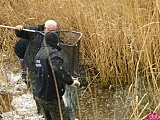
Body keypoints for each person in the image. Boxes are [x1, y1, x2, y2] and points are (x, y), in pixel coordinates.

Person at [15, 20, 59, 115]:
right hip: (31, 66)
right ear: (45, 28)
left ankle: (45, 112)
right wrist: (19, 29)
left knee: (43, 90)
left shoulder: (55, 37)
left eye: (54, 30)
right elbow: (21, 33)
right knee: (35, 90)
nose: (53, 33)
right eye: (50, 30)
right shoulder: (34, 32)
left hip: (44, 69)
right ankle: (41, 113)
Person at [34, 31, 80, 120]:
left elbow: (47, 71)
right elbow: (56, 68)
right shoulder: (53, 53)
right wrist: (70, 81)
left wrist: (68, 77)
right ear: (57, 42)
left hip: (40, 95)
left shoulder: (39, 53)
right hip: (51, 97)